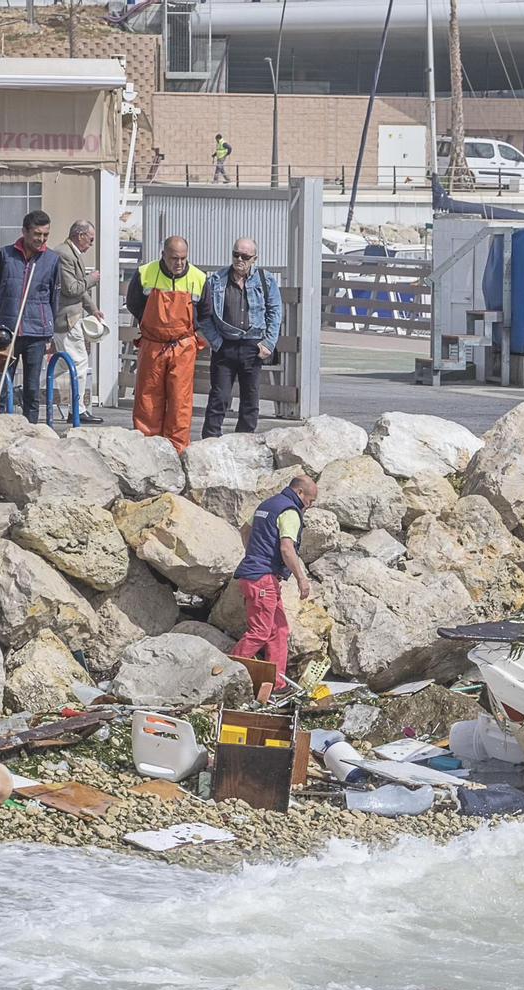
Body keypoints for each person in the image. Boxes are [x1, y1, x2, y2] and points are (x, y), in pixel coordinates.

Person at [230, 474, 318, 692]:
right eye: (310, 500)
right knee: (259, 631)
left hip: (256, 576)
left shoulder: (269, 504)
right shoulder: (290, 511)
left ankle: (277, 684)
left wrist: (254, 554)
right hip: (262, 580)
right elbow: (287, 548)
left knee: (279, 630)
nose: (309, 505)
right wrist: (301, 579)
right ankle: (227, 673)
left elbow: (244, 530)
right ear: (299, 493)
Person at [126, 236, 207, 451]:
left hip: (183, 346)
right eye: (174, 258)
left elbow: (206, 310)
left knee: (180, 402)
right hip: (152, 344)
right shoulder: (145, 273)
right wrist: (154, 325)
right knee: (147, 399)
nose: (179, 263)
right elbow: (134, 303)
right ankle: (147, 449)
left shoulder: (198, 277)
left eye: (183, 258)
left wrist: (186, 330)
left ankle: (178, 450)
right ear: (163, 255)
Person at [199, 237, 282, 438]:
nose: (239, 260)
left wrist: (268, 343)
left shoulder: (265, 279)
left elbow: (275, 311)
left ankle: (245, 441)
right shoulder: (216, 280)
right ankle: (210, 442)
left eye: (245, 256)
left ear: (254, 258)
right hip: (225, 344)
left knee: (250, 399)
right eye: (236, 254)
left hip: (253, 346)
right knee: (219, 397)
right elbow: (203, 314)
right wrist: (216, 341)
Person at [0, 209, 61, 423]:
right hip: (7, 331)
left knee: (31, 388)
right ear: (24, 232)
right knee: (2, 384)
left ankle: (31, 431)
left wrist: (49, 334)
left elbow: (54, 298)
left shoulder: (52, 260)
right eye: (37, 234)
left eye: (45, 235)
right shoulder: (5, 255)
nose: (41, 239)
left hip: (37, 332)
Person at [52, 219, 104, 423]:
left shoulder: (71, 253)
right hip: (67, 318)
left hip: (71, 317)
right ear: (80, 235)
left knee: (64, 364)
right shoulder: (63, 254)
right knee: (79, 363)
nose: (91, 244)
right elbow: (72, 288)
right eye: (90, 239)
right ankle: (78, 409)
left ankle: (27, 389)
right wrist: (92, 279)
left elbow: (78, 290)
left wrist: (93, 309)